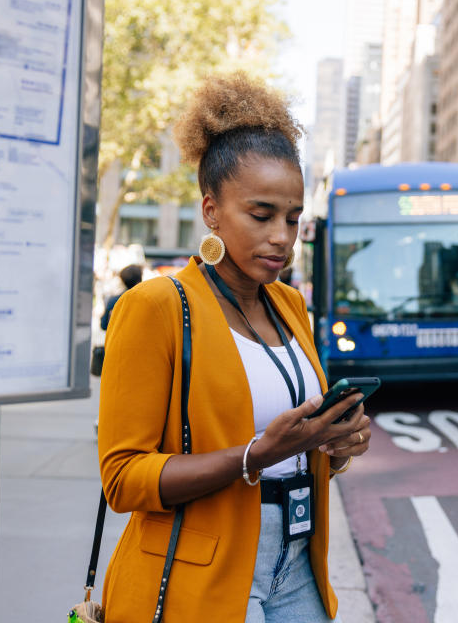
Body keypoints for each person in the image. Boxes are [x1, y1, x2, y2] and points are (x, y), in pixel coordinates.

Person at [97, 72, 371, 623]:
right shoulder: (155, 307)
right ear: (211, 210)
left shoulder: (290, 305)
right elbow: (123, 480)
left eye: (293, 219)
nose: (282, 236)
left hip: (299, 566)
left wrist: (335, 443)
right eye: (261, 214)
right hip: (201, 573)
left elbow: (298, 444)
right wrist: (254, 455)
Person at [100, 264, 143, 331]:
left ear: (122, 280)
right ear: (140, 278)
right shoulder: (146, 299)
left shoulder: (114, 301)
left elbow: (104, 325)